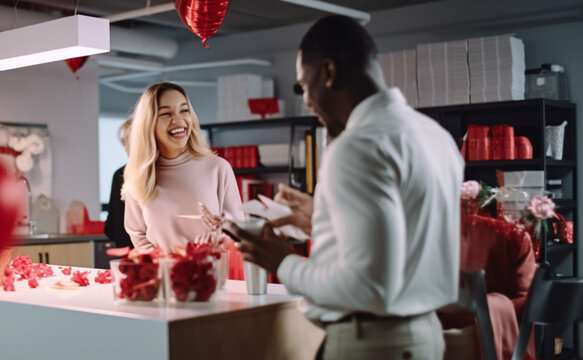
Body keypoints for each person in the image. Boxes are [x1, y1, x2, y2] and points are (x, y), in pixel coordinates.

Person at [230, 15, 463, 360]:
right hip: (425, 337)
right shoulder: (434, 135)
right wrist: (323, 220)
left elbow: (369, 288)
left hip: (373, 343)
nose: (307, 100)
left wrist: (283, 262)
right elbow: (406, 238)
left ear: (328, 71)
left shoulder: (357, 146)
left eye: (304, 85)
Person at [122, 82, 244, 252]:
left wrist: (221, 234)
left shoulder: (218, 168)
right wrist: (169, 267)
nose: (178, 120)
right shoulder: (138, 177)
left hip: (213, 273)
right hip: (165, 275)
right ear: (148, 124)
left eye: (184, 110)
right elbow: (137, 234)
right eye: (166, 113)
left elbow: (240, 233)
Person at [103, 118, 134, 249]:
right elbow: (113, 225)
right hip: (131, 254)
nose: (126, 146)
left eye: (130, 140)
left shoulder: (121, 174)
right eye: (124, 141)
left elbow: (110, 228)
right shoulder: (120, 175)